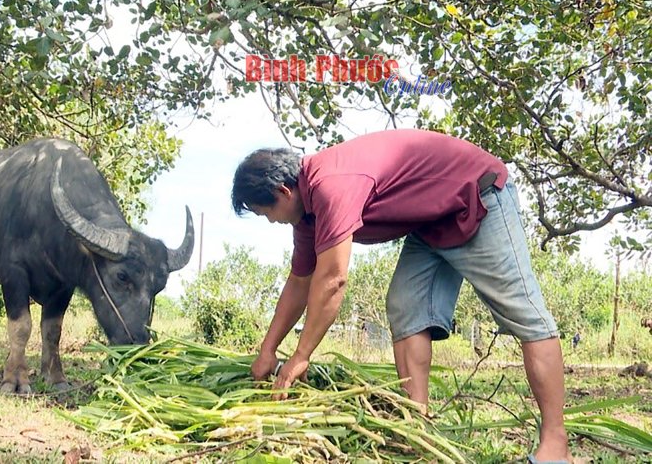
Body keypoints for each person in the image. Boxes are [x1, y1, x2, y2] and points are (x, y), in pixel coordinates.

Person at [231, 129, 571, 463]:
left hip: (476, 196)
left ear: (283, 191)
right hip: (431, 220)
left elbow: (333, 280)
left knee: (524, 315)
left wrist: (302, 354)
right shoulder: (306, 217)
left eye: (265, 212)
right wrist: (268, 350)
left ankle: (556, 446)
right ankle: (418, 426)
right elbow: (300, 282)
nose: (269, 221)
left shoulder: (330, 184)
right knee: (406, 306)